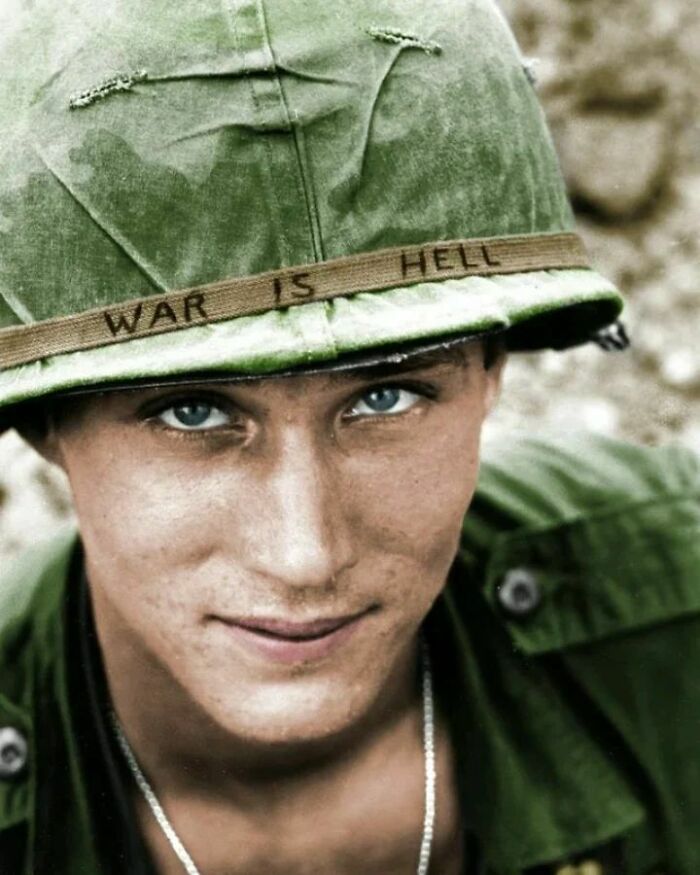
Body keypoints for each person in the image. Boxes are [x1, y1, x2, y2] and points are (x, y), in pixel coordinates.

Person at [0, 0, 698, 873]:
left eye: (386, 395)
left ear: (491, 371)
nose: (305, 555)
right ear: (42, 420)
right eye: (192, 411)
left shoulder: (676, 612)